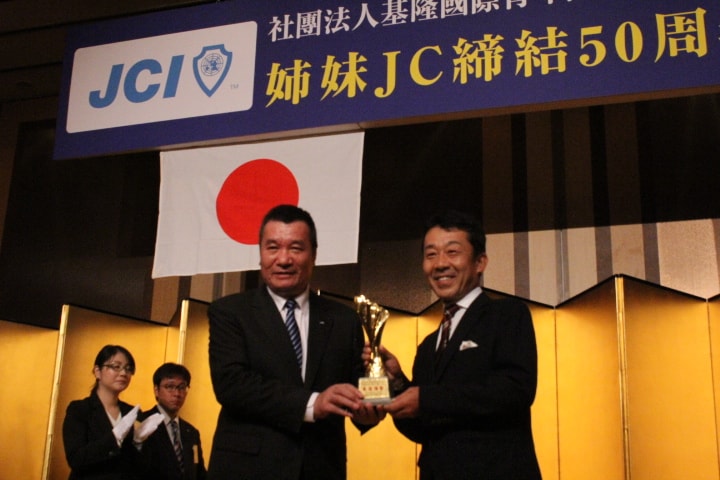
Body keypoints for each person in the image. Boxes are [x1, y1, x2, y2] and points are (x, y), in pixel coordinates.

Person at [206, 204, 382, 480]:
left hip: (321, 467)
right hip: (248, 469)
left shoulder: (344, 319)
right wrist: (313, 403)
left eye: (296, 248)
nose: (283, 259)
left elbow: (357, 385)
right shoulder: (230, 312)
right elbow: (232, 385)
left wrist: (372, 407)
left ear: (314, 255)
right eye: (273, 248)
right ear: (261, 253)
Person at [373, 210, 542, 479]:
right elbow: (421, 429)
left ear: (480, 262)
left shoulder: (507, 314)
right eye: (431, 254)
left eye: (452, 252)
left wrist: (425, 399)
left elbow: (515, 391)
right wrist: (397, 383)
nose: (440, 264)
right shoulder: (429, 345)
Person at [62, 344, 157, 480]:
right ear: (97, 371)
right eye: (116, 367)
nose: (123, 373)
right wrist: (114, 437)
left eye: (128, 369)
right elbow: (76, 459)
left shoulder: (132, 412)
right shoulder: (80, 409)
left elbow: (142, 468)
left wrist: (139, 444)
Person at [137, 363, 206, 480]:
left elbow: (199, 472)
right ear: (156, 390)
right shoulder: (142, 423)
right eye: (170, 387)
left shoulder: (192, 432)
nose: (177, 394)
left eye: (182, 387)